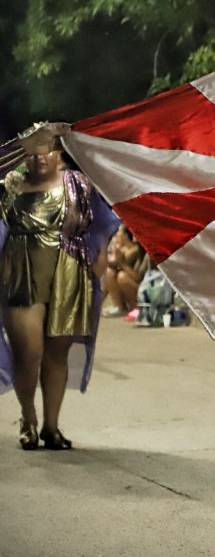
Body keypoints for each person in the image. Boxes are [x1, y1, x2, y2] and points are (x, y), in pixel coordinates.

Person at [0, 123, 118, 450]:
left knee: (56, 353)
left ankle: (52, 427)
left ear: (60, 154)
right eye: (34, 151)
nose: (40, 158)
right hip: (20, 269)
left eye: (47, 149)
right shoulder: (9, 184)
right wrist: (23, 142)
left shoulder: (79, 184)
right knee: (29, 352)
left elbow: (105, 221)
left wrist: (103, 254)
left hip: (70, 269)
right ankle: (28, 418)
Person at [101, 224, 146, 316]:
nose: (116, 235)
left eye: (119, 233)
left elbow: (114, 262)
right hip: (136, 285)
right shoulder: (125, 248)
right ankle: (117, 306)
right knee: (109, 272)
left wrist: (121, 262)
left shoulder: (134, 250)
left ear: (125, 236)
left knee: (122, 277)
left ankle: (135, 308)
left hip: (142, 288)